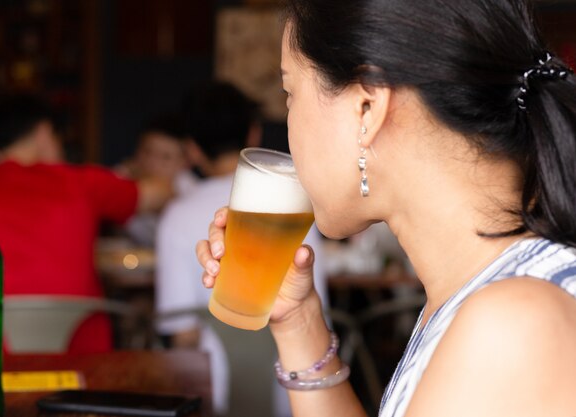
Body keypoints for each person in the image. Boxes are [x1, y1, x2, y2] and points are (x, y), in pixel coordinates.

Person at [196, 1, 576, 416]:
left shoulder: (512, 327)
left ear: (367, 108)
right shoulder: (487, 292)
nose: (288, 126)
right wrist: (299, 323)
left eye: (290, 93)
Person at [155, 81, 328, 416]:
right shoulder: (298, 208)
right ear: (254, 135)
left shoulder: (177, 216)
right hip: (299, 386)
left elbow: (182, 336)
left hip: (213, 396)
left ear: (191, 149)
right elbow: (323, 310)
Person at [0, 94, 172, 353]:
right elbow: (160, 193)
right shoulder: (81, 182)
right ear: (44, 132)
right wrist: (137, 166)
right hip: (81, 352)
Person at [114, 113, 197, 247]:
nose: (153, 164)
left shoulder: (192, 193)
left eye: (165, 157)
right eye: (147, 152)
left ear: (186, 162)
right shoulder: (121, 178)